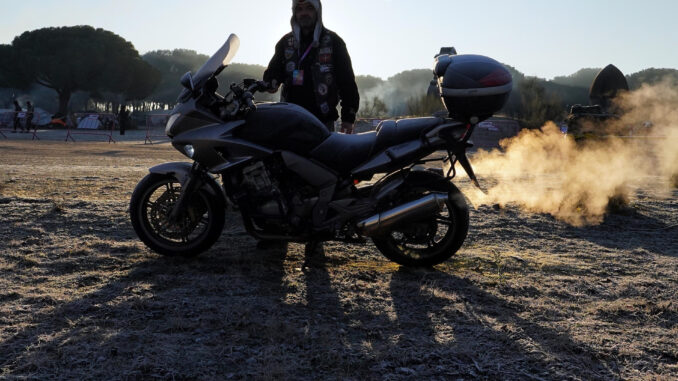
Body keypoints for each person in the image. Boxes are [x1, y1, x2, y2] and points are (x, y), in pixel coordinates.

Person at [263, 0, 359, 134]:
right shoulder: (285, 43)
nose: (304, 13)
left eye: (309, 8)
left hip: (323, 122)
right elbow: (273, 74)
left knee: (322, 155)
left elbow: (347, 82)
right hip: (290, 120)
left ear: (318, 11)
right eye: (299, 9)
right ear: (294, 13)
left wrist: (348, 118)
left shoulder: (334, 41)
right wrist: (270, 82)